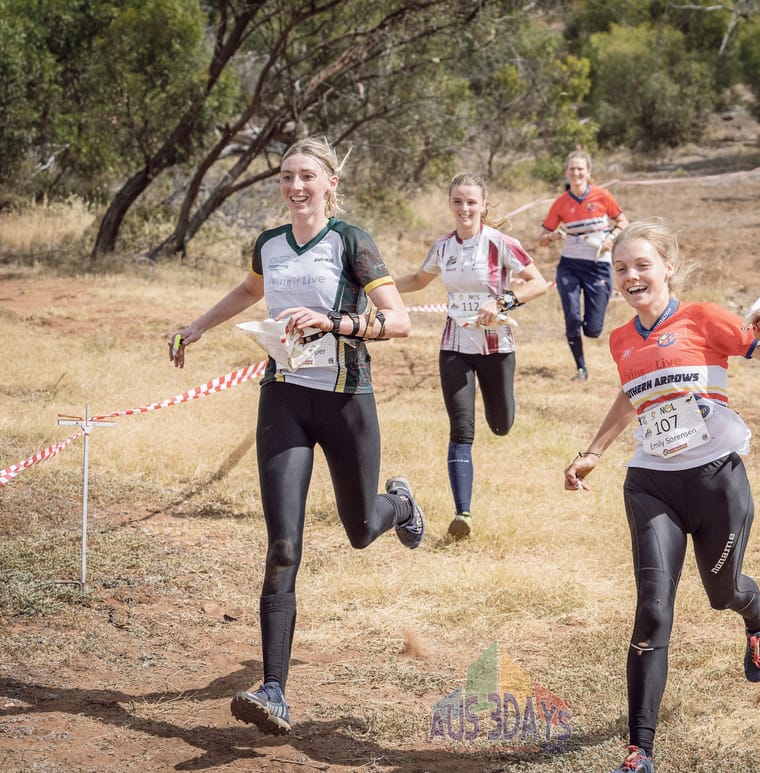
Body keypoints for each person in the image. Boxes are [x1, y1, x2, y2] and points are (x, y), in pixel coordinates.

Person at [167, 136, 425, 737]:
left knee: (361, 530)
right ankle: (274, 688)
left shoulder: (351, 242)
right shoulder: (270, 245)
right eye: (286, 177)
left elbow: (402, 320)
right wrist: (198, 325)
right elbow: (252, 290)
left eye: (307, 176)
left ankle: (402, 503)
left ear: (330, 183)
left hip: (345, 401)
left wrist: (335, 322)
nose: (295, 187)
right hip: (282, 398)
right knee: (283, 545)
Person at [562, 219, 760, 773]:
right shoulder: (623, 339)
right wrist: (594, 451)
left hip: (717, 480)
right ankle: (639, 751)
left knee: (723, 593)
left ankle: (757, 611)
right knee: (651, 611)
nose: (631, 276)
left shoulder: (705, 318)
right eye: (621, 268)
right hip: (651, 485)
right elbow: (632, 395)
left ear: (668, 266)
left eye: (642, 265)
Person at [395, 173, 548, 539]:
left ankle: (501, 419)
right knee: (461, 429)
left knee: (501, 424)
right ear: (450, 205)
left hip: (497, 347)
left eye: (471, 202)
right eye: (458, 202)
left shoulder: (501, 243)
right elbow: (418, 280)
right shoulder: (443, 247)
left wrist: (503, 300)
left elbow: (539, 282)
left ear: (483, 206)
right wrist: (373, 285)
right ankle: (463, 513)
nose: (465, 208)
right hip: (454, 347)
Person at [538, 149, 629, 381]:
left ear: (588, 172)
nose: (576, 172)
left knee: (593, 329)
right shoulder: (560, 203)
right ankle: (581, 368)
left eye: (580, 169)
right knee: (571, 316)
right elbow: (542, 238)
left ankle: (590, 332)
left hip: (598, 265)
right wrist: (552, 237)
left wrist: (612, 236)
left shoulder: (602, 195)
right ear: (566, 173)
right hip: (570, 265)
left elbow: (622, 220)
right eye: (572, 169)